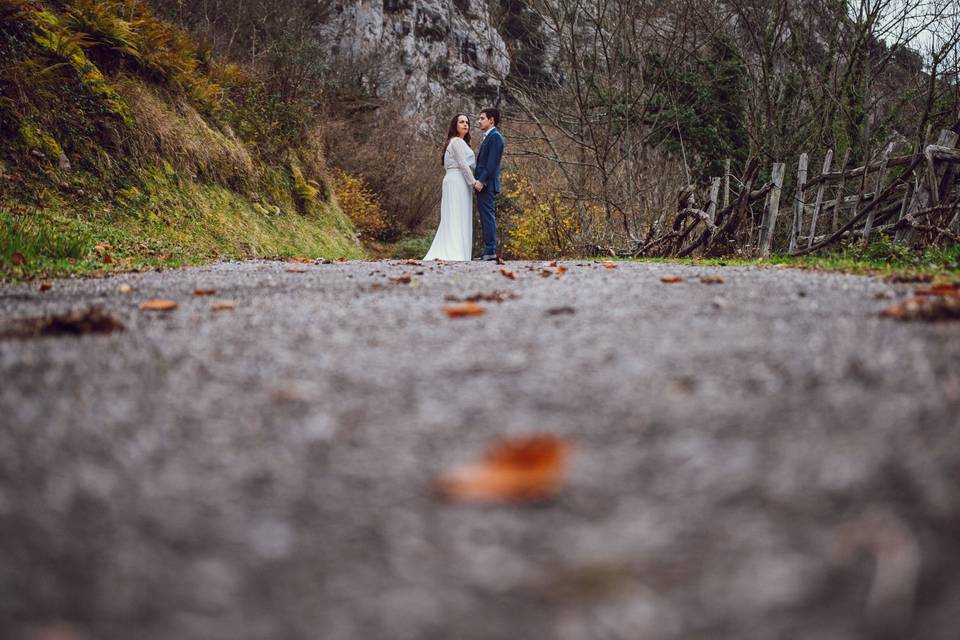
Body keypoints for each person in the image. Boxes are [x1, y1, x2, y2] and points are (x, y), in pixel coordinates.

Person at [424, 114, 475, 261]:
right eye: (461, 122)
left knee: (457, 215)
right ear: (455, 125)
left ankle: (458, 250)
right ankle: (454, 252)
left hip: (456, 180)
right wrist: (474, 182)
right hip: (457, 180)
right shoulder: (456, 142)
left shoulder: (457, 142)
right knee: (455, 215)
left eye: (467, 122)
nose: (465, 124)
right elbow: (462, 164)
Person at [473, 107, 505, 261]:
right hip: (483, 185)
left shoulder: (496, 137)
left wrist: (481, 181)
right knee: (485, 218)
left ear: (491, 120)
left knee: (488, 217)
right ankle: (487, 251)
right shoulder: (488, 137)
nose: (479, 121)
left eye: (482, 118)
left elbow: (492, 164)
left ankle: (490, 251)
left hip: (487, 185)